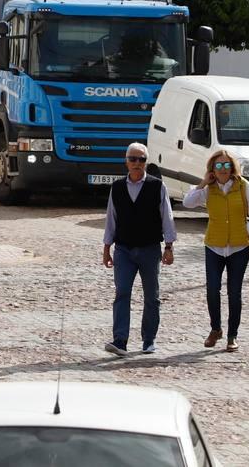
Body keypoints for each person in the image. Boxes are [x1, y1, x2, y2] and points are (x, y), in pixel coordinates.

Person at [182, 148, 249, 352]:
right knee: (212, 289)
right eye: (218, 165)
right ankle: (215, 329)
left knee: (234, 292)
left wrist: (248, 229)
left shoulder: (243, 186)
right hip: (214, 246)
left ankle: (232, 335)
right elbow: (187, 202)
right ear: (212, 169)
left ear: (232, 167)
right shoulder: (208, 189)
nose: (223, 169)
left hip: (239, 246)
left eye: (227, 165)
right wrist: (202, 183)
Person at [101, 141, 176, 356]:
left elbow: (167, 218)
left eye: (141, 159)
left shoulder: (157, 186)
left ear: (146, 162)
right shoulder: (117, 187)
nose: (137, 163)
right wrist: (107, 248)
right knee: (122, 292)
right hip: (123, 249)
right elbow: (111, 219)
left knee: (152, 296)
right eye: (133, 159)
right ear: (126, 162)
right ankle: (120, 340)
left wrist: (168, 246)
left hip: (150, 249)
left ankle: (149, 340)